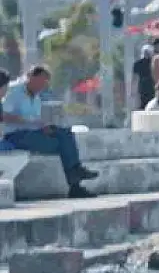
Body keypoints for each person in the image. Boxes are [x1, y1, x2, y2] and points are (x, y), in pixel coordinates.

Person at [1, 66, 97, 198]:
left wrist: (43, 127)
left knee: (65, 134)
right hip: (16, 136)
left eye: (45, 83)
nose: (43, 86)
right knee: (64, 146)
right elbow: (4, 116)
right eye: (41, 81)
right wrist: (30, 121)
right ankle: (75, 181)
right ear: (31, 77)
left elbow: (35, 120)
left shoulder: (37, 97)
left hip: (32, 133)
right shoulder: (13, 91)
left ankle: (76, 176)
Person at [133, 44, 155, 110]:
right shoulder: (138, 63)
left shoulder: (153, 62)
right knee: (143, 103)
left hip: (151, 86)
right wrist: (134, 90)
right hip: (143, 87)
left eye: (148, 52)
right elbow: (135, 78)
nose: (147, 54)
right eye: (146, 52)